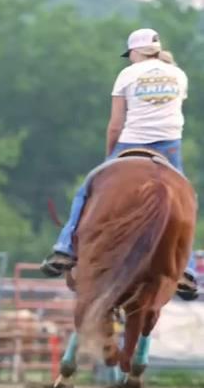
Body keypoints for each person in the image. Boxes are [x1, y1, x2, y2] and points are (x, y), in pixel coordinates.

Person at [41, 28, 198, 299]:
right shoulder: (179, 75)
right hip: (169, 146)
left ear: (136, 51)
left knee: (87, 189)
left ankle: (65, 248)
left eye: (130, 54)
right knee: (189, 202)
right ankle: (187, 268)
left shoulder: (127, 75)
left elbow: (115, 125)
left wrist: (109, 158)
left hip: (131, 141)